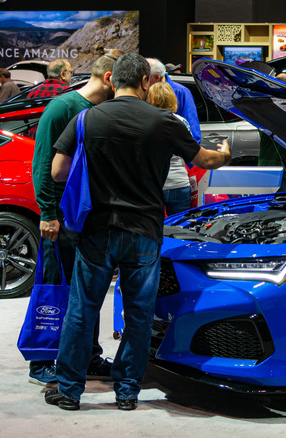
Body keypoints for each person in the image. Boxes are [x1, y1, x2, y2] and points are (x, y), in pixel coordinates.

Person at [44, 53, 231, 411]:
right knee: (139, 313)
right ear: (147, 82)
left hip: (97, 229)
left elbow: (57, 171)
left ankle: (69, 390)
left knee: (82, 310)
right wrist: (224, 153)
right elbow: (204, 159)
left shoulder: (86, 118)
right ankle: (127, 391)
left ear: (112, 80)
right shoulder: (164, 121)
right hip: (144, 230)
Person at [28, 49, 124, 387]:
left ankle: (88, 355)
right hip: (61, 219)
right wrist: (48, 214)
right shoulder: (64, 107)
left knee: (85, 292)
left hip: (83, 219)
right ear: (110, 79)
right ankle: (41, 362)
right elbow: (43, 165)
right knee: (54, 290)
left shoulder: (94, 110)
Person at [147, 82, 193, 216]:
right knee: (180, 228)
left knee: (155, 230)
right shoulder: (182, 122)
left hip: (155, 184)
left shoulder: (146, 122)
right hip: (180, 183)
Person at [146, 58, 201, 144]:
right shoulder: (142, 91)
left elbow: (193, 133)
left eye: (146, 78)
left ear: (156, 77)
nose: (142, 81)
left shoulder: (181, 92)